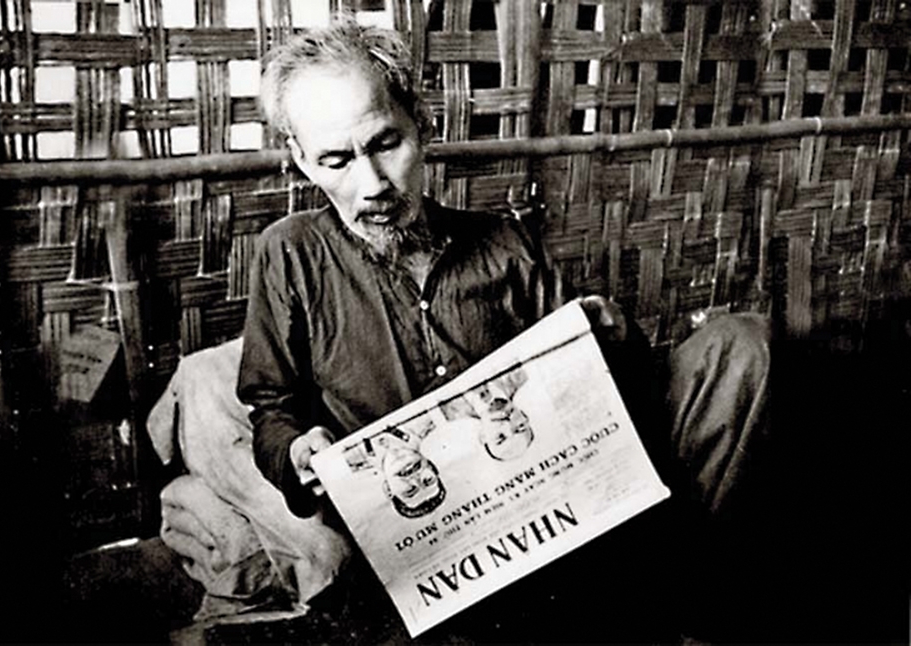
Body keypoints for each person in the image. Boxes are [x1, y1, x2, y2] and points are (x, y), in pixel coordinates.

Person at [163, 16, 777, 643]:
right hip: (425, 548)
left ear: (422, 125)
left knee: (739, 345)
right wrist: (297, 452)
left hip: (553, 517)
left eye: (385, 144)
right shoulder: (291, 255)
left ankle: (653, 598)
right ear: (301, 159)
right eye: (336, 160)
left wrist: (611, 335)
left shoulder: (503, 244)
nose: (372, 185)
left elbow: (606, 393)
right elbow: (271, 406)